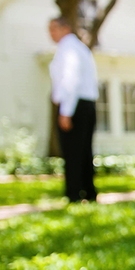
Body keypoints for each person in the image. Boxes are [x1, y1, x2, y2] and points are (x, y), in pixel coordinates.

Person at [48, 17, 99, 203]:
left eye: (54, 29)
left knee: (72, 151)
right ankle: (89, 192)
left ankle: (74, 194)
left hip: (75, 104)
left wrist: (66, 111)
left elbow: (70, 80)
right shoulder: (81, 48)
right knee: (84, 150)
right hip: (87, 104)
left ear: (65, 28)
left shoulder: (68, 48)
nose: (51, 33)